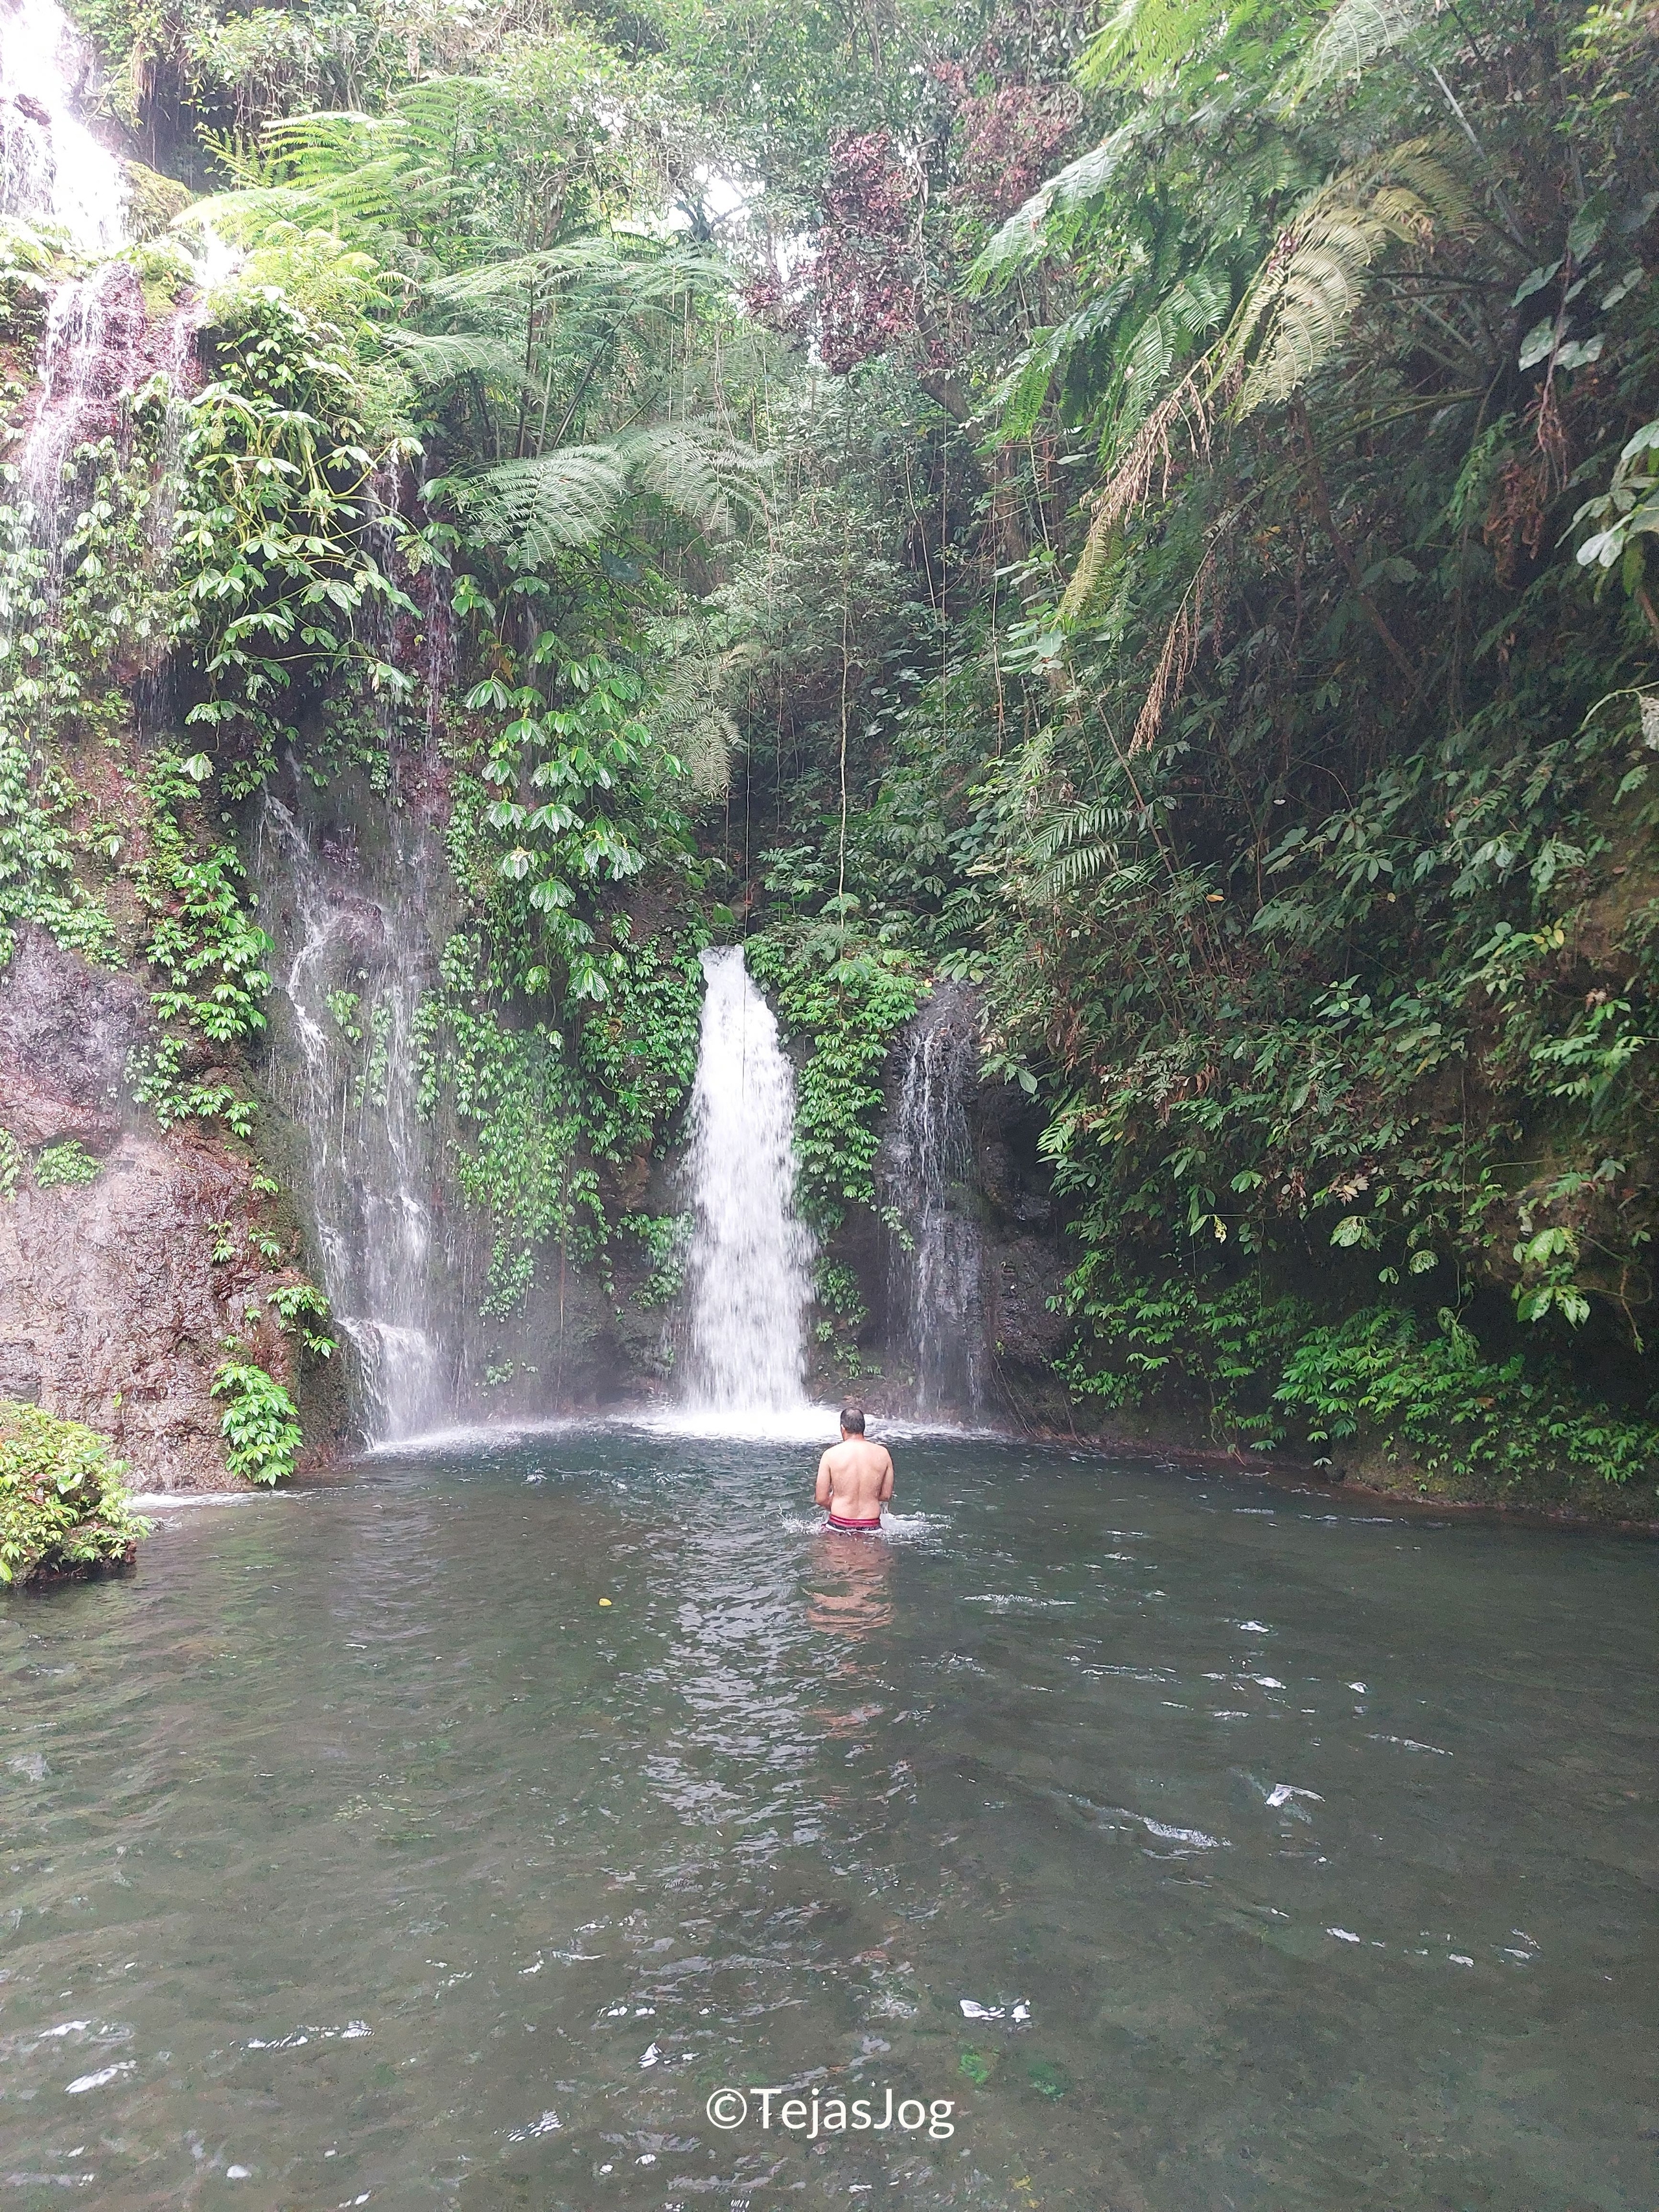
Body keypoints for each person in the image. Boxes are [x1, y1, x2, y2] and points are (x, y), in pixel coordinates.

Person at [815, 1405, 894, 1533]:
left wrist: (841, 1502)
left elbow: (821, 1498)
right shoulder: (883, 1454)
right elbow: (886, 1495)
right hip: (872, 1525)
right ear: (863, 1428)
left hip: (838, 1524)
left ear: (843, 1429)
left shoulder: (830, 1455)